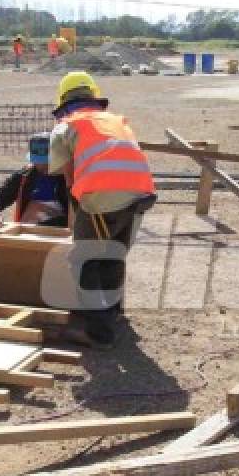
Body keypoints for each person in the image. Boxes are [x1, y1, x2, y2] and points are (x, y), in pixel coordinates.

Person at [49, 71, 156, 347]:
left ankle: (97, 333)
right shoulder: (114, 121)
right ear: (94, 99)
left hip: (103, 192)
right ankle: (112, 313)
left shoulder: (66, 126)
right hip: (140, 192)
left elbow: (69, 177)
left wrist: (78, 214)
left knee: (84, 259)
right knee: (113, 254)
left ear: (64, 103)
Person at [0, 133, 69, 228]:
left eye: (46, 163)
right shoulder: (26, 176)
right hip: (26, 233)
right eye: (37, 162)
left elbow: (77, 217)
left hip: (58, 236)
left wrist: (42, 224)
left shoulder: (69, 179)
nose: (41, 167)